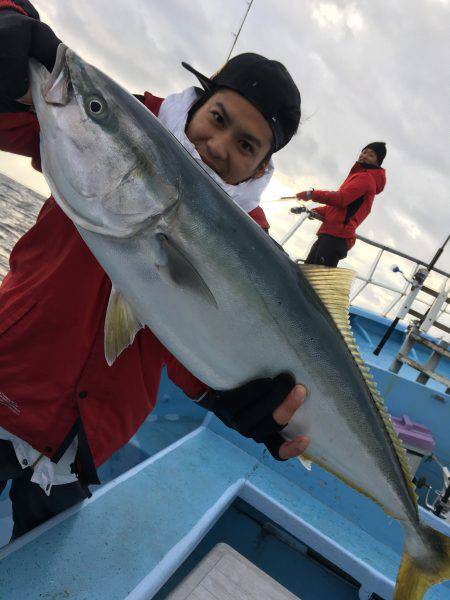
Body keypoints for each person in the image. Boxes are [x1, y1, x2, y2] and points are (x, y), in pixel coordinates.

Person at [0, 0, 310, 539]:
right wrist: (11, 21)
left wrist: (234, 394)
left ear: (262, 167)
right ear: (196, 104)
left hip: (87, 437)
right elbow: (19, 113)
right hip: (10, 371)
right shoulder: (120, 122)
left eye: (245, 145)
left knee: (40, 568)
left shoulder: (249, 244)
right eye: (218, 119)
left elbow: (191, 351)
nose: (217, 147)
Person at [297, 143, 387, 267]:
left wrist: (311, 194)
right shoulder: (360, 175)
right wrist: (314, 210)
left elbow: (341, 199)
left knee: (313, 281)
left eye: (371, 155)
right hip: (330, 235)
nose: (365, 156)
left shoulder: (366, 178)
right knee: (306, 275)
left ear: (378, 162)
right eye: (364, 152)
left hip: (335, 238)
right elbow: (340, 208)